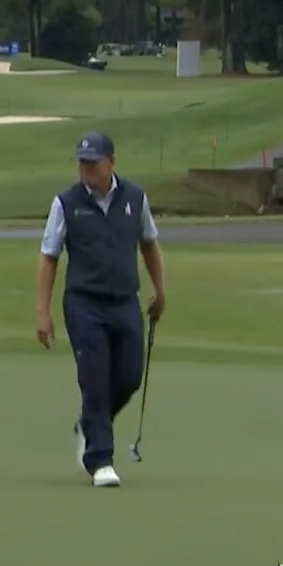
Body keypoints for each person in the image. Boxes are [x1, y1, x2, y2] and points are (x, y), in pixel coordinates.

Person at [35, 132, 167, 487]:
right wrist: (42, 312)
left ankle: (91, 423)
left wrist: (160, 290)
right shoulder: (67, 202)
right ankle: (100, 460)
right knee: (94, 376)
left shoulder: (135, 198)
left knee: (128, 376)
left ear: (112, 161)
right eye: (82, 163)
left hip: (124, 300)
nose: (86, 170)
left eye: (93, 163)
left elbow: (149, 245)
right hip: (84, 302)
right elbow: (49, 257)